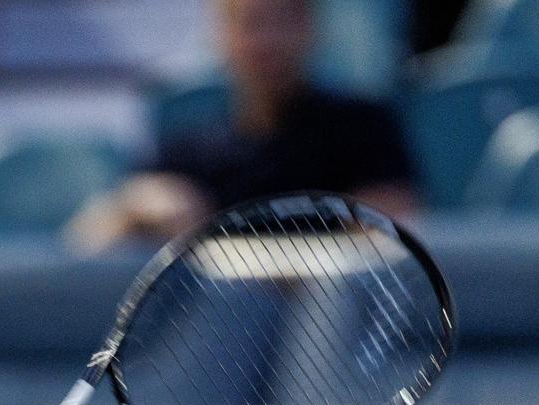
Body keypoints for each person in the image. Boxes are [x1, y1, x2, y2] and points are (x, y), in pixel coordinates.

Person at [70, 0, 419, 254]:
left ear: (310, 28)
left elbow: (390, 229)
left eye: (283, 22)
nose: (268, 41)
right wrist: (139, 205)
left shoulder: (363, 126)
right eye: (253, 24)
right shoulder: (189, 146)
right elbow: (86, 240)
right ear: (223, 34)